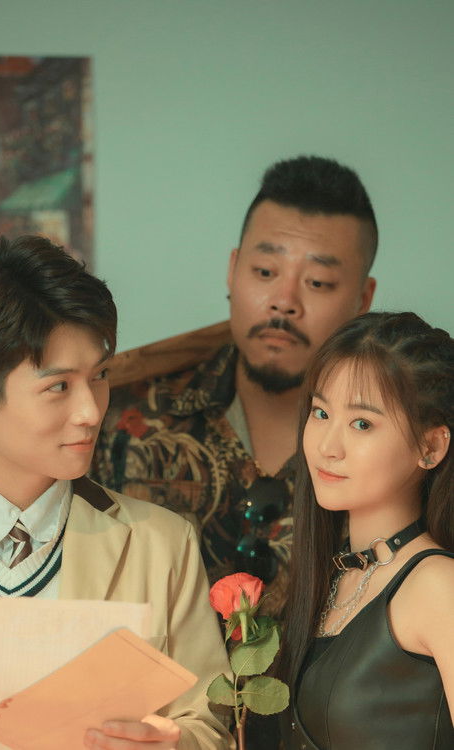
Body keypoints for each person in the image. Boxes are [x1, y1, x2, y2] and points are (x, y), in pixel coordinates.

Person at [0, 236, 234, 750]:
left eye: (100, 376)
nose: (91, 411)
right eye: (58, 386)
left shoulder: (161, 543)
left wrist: (173, 744)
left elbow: (211, 723)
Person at [92, 155, 378, 619]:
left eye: (318, 282)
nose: (284, 302)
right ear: (233, 269)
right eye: (265, 272)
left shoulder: (392, 445)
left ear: (363, 299)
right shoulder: (122, 416)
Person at [280, 311, 454, 749]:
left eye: (362, 424)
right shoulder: (331, 573)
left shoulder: (439, 586)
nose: (327, 446)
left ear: (430, 446)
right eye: (321, 412)